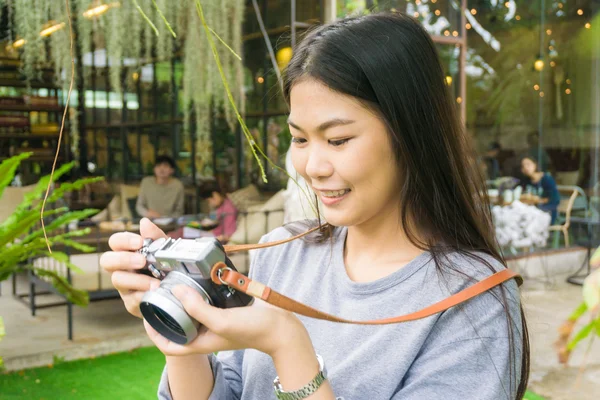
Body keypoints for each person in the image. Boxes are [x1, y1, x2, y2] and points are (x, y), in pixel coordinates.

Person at [101, 12, 529, 400]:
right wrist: (176, 321)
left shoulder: (475, 301)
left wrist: (288, 345)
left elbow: (282, 343)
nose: (312, 166)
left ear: (410, 134)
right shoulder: (283, 250)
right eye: (300, 139)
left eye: (338, 139)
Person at [520, 155, 561, 224]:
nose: (526, 168)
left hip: (546, 212)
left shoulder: (546, 179)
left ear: (535, 165)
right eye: (523, 166)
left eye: (528, 164)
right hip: (529, 211)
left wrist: (538, 200)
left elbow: (555, 199)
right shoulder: (526, 181)